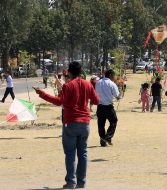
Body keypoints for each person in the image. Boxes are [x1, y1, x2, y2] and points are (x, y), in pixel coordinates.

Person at [33, 61, 99, 189]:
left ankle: (71, 182)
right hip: (85, 122)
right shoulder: (88, 84)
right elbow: (96, 100)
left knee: (70, 153)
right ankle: (81, 182)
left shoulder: (68, 86)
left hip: (71, 122)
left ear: (69, 72)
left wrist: (42, 94)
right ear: (81, 72)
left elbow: (59, 102)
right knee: (83, 153)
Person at [95, 69, 120, 147]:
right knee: (114, 120)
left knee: (101, 124)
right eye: (113, 76)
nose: (114, 77)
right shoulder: (111, 83)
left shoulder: (98, 82)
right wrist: (119, 96)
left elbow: (96, 92)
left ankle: (103, 139)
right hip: (108, 106)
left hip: (100, 106)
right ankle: (108, 137)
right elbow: (117, 95)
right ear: (110, 75)